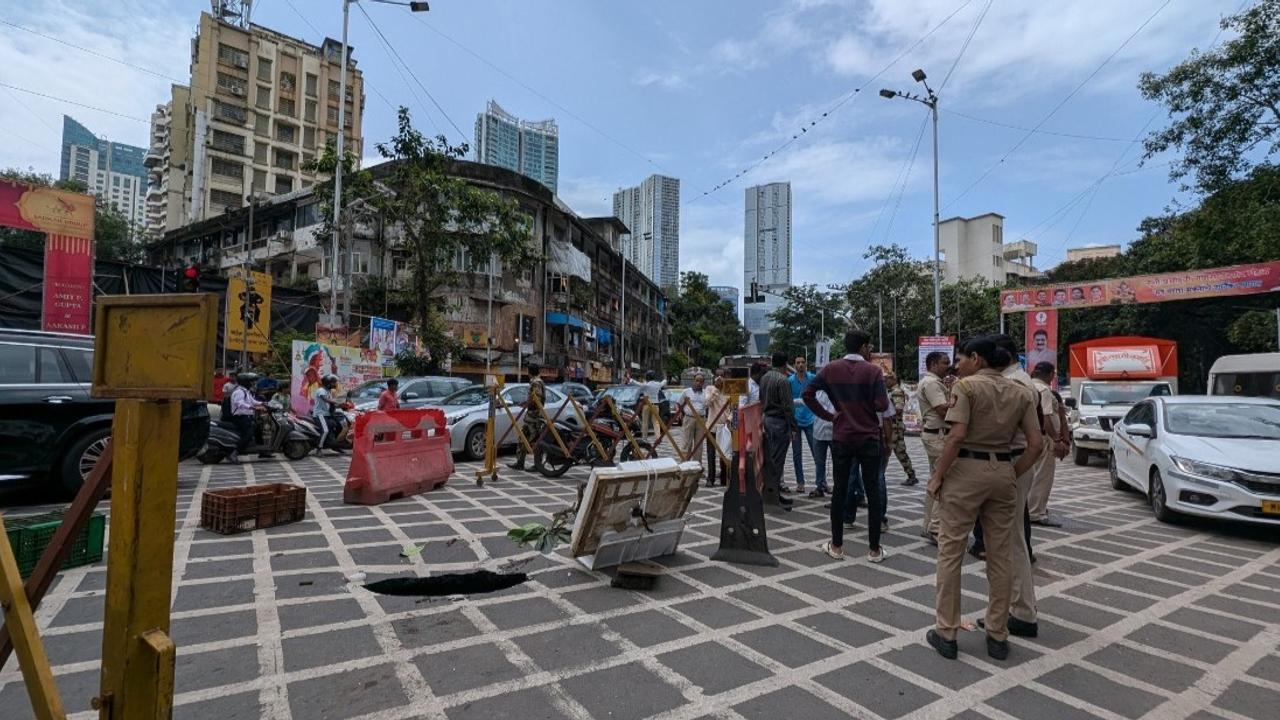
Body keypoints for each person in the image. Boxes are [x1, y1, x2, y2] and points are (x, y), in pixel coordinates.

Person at [926, 335, 1042, 661]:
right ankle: (997, 634)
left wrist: (937, 477)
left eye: (960, 358)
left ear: (976, 358)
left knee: (951, 551)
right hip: (1003, 471)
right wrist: (1009, 471)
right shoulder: (1022, 392)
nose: (956, 365)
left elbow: (957, 436)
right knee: (1000, 554)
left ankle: (946, 632)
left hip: (965, 472)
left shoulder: (966, 388)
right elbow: (1035, 444)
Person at [969, 334, 1046, 638]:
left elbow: (1034, 440)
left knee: (1010, 541)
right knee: (1011, 538)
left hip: (1014, 461)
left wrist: (1013, 472)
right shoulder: (1021, 381)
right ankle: (1018, 608)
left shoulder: (1014, 384)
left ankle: (1022, 612)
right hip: (1014, 463)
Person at [803, 329, 889, 563]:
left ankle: (837, 545)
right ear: (862, 347)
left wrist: (831, 415)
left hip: (842, 437)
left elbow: (807, 394)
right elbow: (882, 405)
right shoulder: (873, 371)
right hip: (869, 438)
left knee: (839, 491)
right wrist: (865, 403)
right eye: (869, 347)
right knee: (873, 491)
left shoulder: (830, 369)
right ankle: (874, 549)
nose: (870, 351)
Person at [917, 351, 952, 543]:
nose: (949, 365)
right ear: (933, 364)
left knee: (935, 480)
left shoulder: (932, 382)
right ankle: (937, 528)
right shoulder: (931, 383)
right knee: (944, 482)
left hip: (935, 435)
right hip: (939, 437)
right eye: (945, 362)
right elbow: (942, 410)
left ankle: (929, 525)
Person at [1028, 362, 1066, 526]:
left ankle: (1031, 507)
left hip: (1031, 436)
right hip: (1044, 438)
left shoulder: (1028, 385)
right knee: (1042, 476)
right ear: (1050, 374)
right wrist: (1056, 440)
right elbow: (1046, 418)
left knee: (1032, 475)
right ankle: (1036, 512)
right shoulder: (1043, 390)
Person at [759, 353, 796, 506]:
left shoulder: (764, 378)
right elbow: (788, 406)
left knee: (769, 458)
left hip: (767, 419)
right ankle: (773, 495)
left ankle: (771, 492)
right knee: (777, 460)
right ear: (785, 364)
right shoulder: (783, 380)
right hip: (779, 422)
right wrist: (793, 426)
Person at [510, 363, 546, 471]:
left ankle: (535, 465)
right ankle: (520, 462)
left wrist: (528, 404)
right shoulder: (537, 382)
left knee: (534, 440)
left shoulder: (536, 383)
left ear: (529, 372)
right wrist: (527, 402)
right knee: (524, 438)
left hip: (534, 416)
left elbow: (536, 399)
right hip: (532, 416)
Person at [885, 372, 919, 486]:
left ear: (893, 379)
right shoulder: (892, 391)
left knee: (888, 450)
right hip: (895, 426)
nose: (885, 381)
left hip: (894, 426)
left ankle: (879, 475)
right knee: (899, 451)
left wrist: (886, 413)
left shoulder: (896, 392)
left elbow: (898, 408)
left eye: (887, 379)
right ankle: (911, 475)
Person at [789, 356, 817, 492]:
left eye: (802, 362)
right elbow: (788, 400)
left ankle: (820, 481)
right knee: (796, 453)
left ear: (806, 364)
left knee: (816, 451)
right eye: (798, 363)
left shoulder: (812, 378)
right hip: (795, 421)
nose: (800, 365)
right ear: (794, 365)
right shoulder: (790, 381)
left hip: (811, 419)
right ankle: (800, 482)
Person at [228, 372, 266, 462]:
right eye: (251, 382)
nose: (253, 384)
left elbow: (253, 401)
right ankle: (234, 453)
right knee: (248, 434)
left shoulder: (246, 391)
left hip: (247, 416)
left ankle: (263, 451)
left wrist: (264, 403)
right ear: (246, 382)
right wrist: (252, 407)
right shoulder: (239, 392)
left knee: (258, 429)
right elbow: (239, 403)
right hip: (240, 418)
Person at [705, 374, 731, 486]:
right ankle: (710, 479)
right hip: (712, 426)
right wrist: (715, 391)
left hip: (724, 427)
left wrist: (729, 419)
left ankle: (724, 478)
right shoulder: (710, 389)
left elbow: (733, 408)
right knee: (711, 454)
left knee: (724, 453)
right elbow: (707, 403)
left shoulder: (729, 391)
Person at [312, 375, 338, 455]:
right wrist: (335, 402)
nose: (334, 384)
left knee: (334, 426)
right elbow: (325, 399)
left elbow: (331, 402)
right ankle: (319, 449)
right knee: (325, 430)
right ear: (328, 383)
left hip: (326, 414)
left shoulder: (328, 391)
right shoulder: (321, 390)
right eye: (333, 382)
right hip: (320, 414)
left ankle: (336, 445)